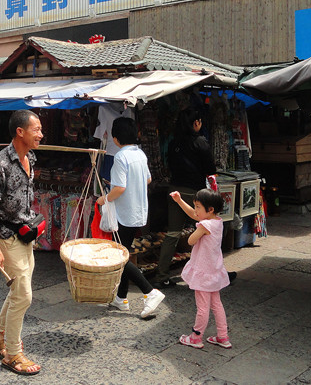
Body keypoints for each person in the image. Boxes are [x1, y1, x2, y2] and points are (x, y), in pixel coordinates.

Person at [0, 109, 43, 376]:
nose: (41, 134)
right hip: (7, 237)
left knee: (18, 291)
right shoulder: (0, 165)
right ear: (20, 132)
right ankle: (13, 355)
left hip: (25, 235)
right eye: (36, 129)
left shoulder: (30, 156)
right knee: (24, 296)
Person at [96, 117, 165, 319]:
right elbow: (148, 179)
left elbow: (119, 188)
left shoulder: (120, 157)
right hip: (138, 210)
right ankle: (121, 298)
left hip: (124, 212)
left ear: (115, 139)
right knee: (123, 251)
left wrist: (103, 198)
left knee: (121, 256)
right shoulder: (140, 154)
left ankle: (150, 292)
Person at [153, 108, 215, 288]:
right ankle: (211, 273)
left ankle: (161, 275)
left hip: (175, 191)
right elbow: (211, 169)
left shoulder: (173, 143)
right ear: (196, 123)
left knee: (173, 233)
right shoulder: (200, 142)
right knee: (206, 231)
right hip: (195, 192)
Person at [171, 189, 232, 350]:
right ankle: (223, 336)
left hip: (203, 272)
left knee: (203, 307)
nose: (196, 210)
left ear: (210, 209)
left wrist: (196, 231)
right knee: (216, 304)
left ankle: (196, 337)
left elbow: (190, 241)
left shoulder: (205, 225)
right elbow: (194, 215)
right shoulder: (217, 221)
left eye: (198, 206)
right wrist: (179, 200)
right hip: (214, 271)